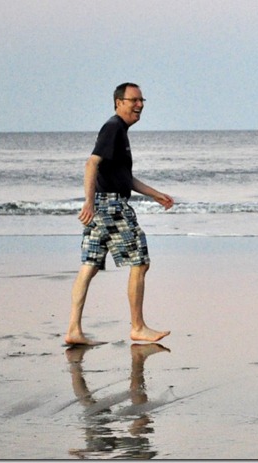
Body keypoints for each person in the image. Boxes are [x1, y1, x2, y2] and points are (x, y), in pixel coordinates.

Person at [65, 82, 174, 346]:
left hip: (102, 205)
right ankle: (138, 327)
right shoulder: (113, 128)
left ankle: (74, 330)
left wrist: (155, 194)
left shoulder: (119, 131)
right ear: (119, 103)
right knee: (140, 262)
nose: (140, 105)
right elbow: (91, 163)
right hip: (111, 207)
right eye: (134, 100)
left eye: (142, 100)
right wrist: (88, 202)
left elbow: (124, 177)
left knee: (89, 266)